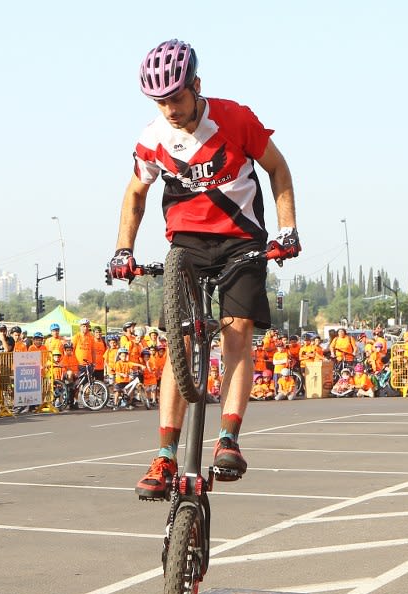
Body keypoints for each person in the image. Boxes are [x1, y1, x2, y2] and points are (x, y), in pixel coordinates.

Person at [108, 39, 300, 500]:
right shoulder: (153, 138)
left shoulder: (235, 119)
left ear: (196, 86)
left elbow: (278, 169)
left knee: (236, 332)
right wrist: (122, 250)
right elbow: (136, 194)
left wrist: (288, 228)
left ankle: (229, 438)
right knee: (181, 341)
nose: (171, 109)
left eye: (177, 98)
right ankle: (165, 455)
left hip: (241, 240)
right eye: (162, 102)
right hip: (186, 243)